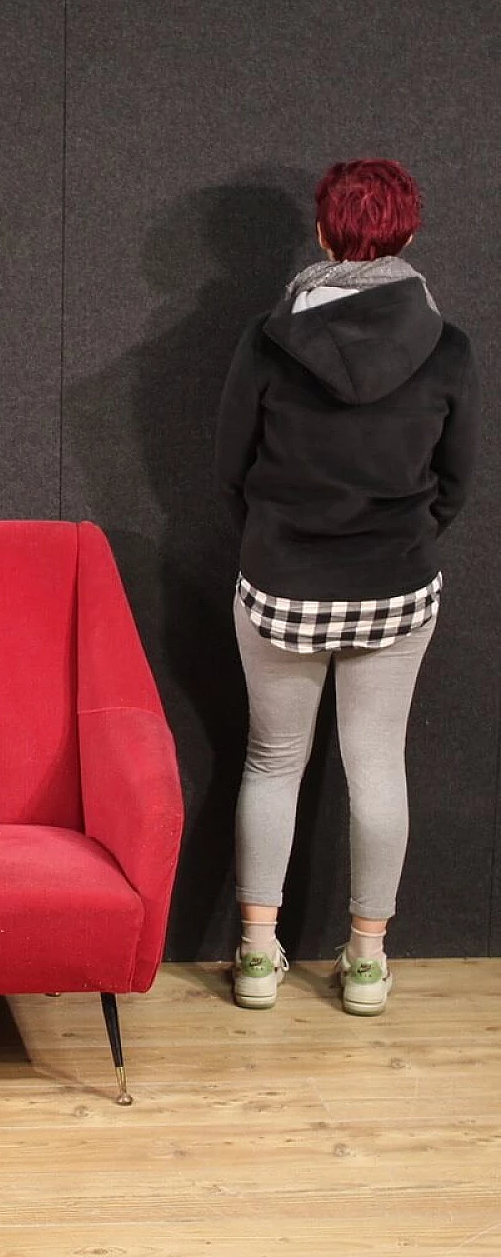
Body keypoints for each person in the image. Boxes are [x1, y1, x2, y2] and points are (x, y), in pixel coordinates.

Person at [215, 158, 480, 1015]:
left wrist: (274, 538)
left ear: (326, 232)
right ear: (407, 233)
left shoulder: (268, 339)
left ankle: (257, 954)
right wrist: (398, 537)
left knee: (272, 760)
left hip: (282, 583)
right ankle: (365, 961)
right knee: (377, 767)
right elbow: (456, 481)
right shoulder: (446, 347)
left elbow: (231, 468)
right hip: (395, 584)